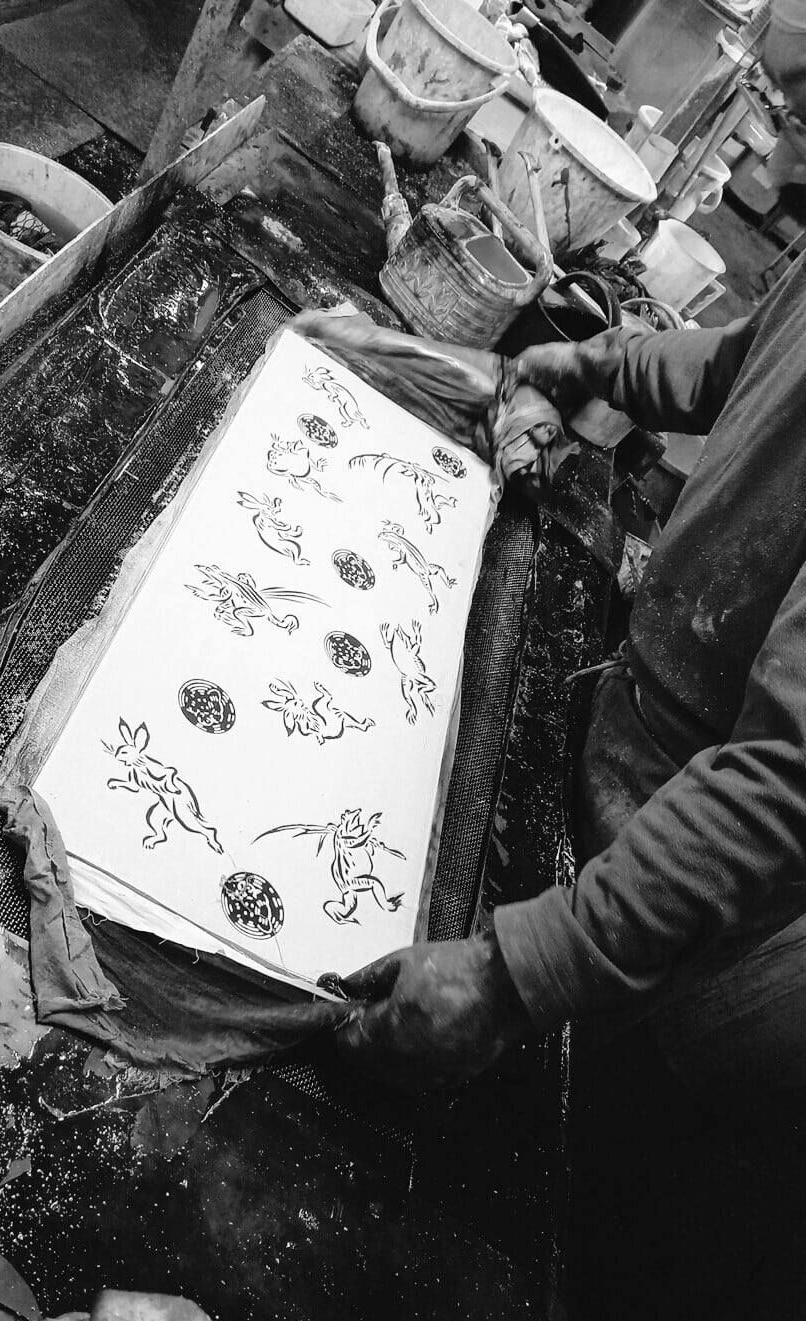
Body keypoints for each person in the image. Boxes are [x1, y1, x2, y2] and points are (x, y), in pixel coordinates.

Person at [338, 2, 806, 1105]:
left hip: (694, 831)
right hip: (639, 716)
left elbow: (786, 786)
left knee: (534, 1088)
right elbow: (747, 362)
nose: (779, 170)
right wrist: (594, 363)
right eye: (782, 112)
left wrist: (515, 978)